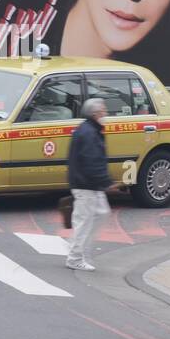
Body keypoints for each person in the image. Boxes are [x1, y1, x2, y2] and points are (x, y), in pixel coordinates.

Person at [66, 98, 118, 271]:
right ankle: (75, 257)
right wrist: (106, 182)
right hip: (86, 185)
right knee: (85, 221)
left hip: (88, 184)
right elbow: (93, 161)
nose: (106, 114)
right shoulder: (89, 133)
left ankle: (77, 247)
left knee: (101, 213)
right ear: (95, 114)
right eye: (103, 111)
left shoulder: (89, 130)